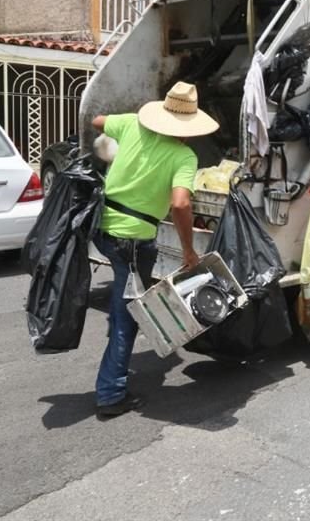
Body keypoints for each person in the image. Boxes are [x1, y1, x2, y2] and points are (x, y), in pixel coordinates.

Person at [91, 82, 218, 417]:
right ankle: (110, 394)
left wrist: (119, 146)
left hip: (102, 229)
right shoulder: (183, 156)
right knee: (126, 318)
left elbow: (98, 121)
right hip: (133, 241)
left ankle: (113, 366)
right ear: (189, 128)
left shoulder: (132, 124)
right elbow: (180, 203)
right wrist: (189, 250)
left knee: (124, 300)